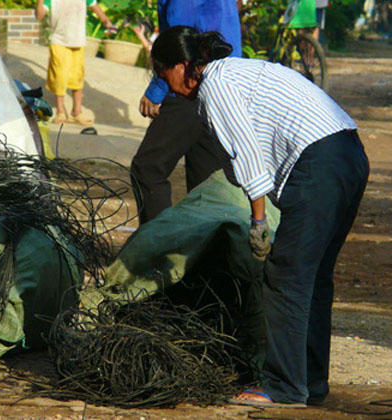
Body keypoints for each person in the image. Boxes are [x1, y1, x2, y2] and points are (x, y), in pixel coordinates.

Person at [150, 25, 369, 407]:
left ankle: (283, 387)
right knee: (312, 278)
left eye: (161, 73)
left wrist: (258, 222)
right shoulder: (236, 71)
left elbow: (248, 155)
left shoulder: (216, 84)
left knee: (284, 274)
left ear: (183, 65)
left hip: (318, 164)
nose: (164, 84)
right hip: (348, 154)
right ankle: (310, 382)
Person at [130, 0, 242, 224]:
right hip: (224, 81)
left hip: (191, 83)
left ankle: (160, 246)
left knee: (148, 168)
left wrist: (159, 87)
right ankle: (206, 251)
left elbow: (182, 41)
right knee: (208, 182)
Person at [35, 0, 114, 125]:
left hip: (78, 41)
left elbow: (95, 7)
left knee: (78, 78)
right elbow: (39, 16)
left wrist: (107, 22)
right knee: (59, 77)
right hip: (59, 41)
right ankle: (60, 112)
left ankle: (77, 112)